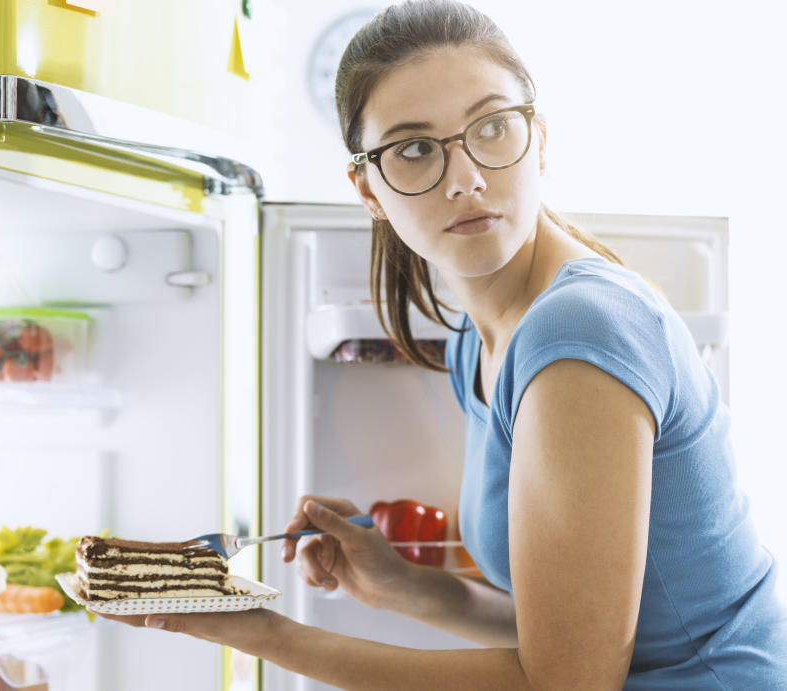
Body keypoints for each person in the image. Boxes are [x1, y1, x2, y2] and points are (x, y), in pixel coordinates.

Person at [99, 1, 787, 688]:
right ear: (367, 187)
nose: (466, 179)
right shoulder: (475, 341)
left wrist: (259, 631)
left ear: (539, 139)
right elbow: (563, 631)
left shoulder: (579, 329)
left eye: (491, 128)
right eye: (416, 148)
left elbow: (567, 680)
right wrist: (402, 585)